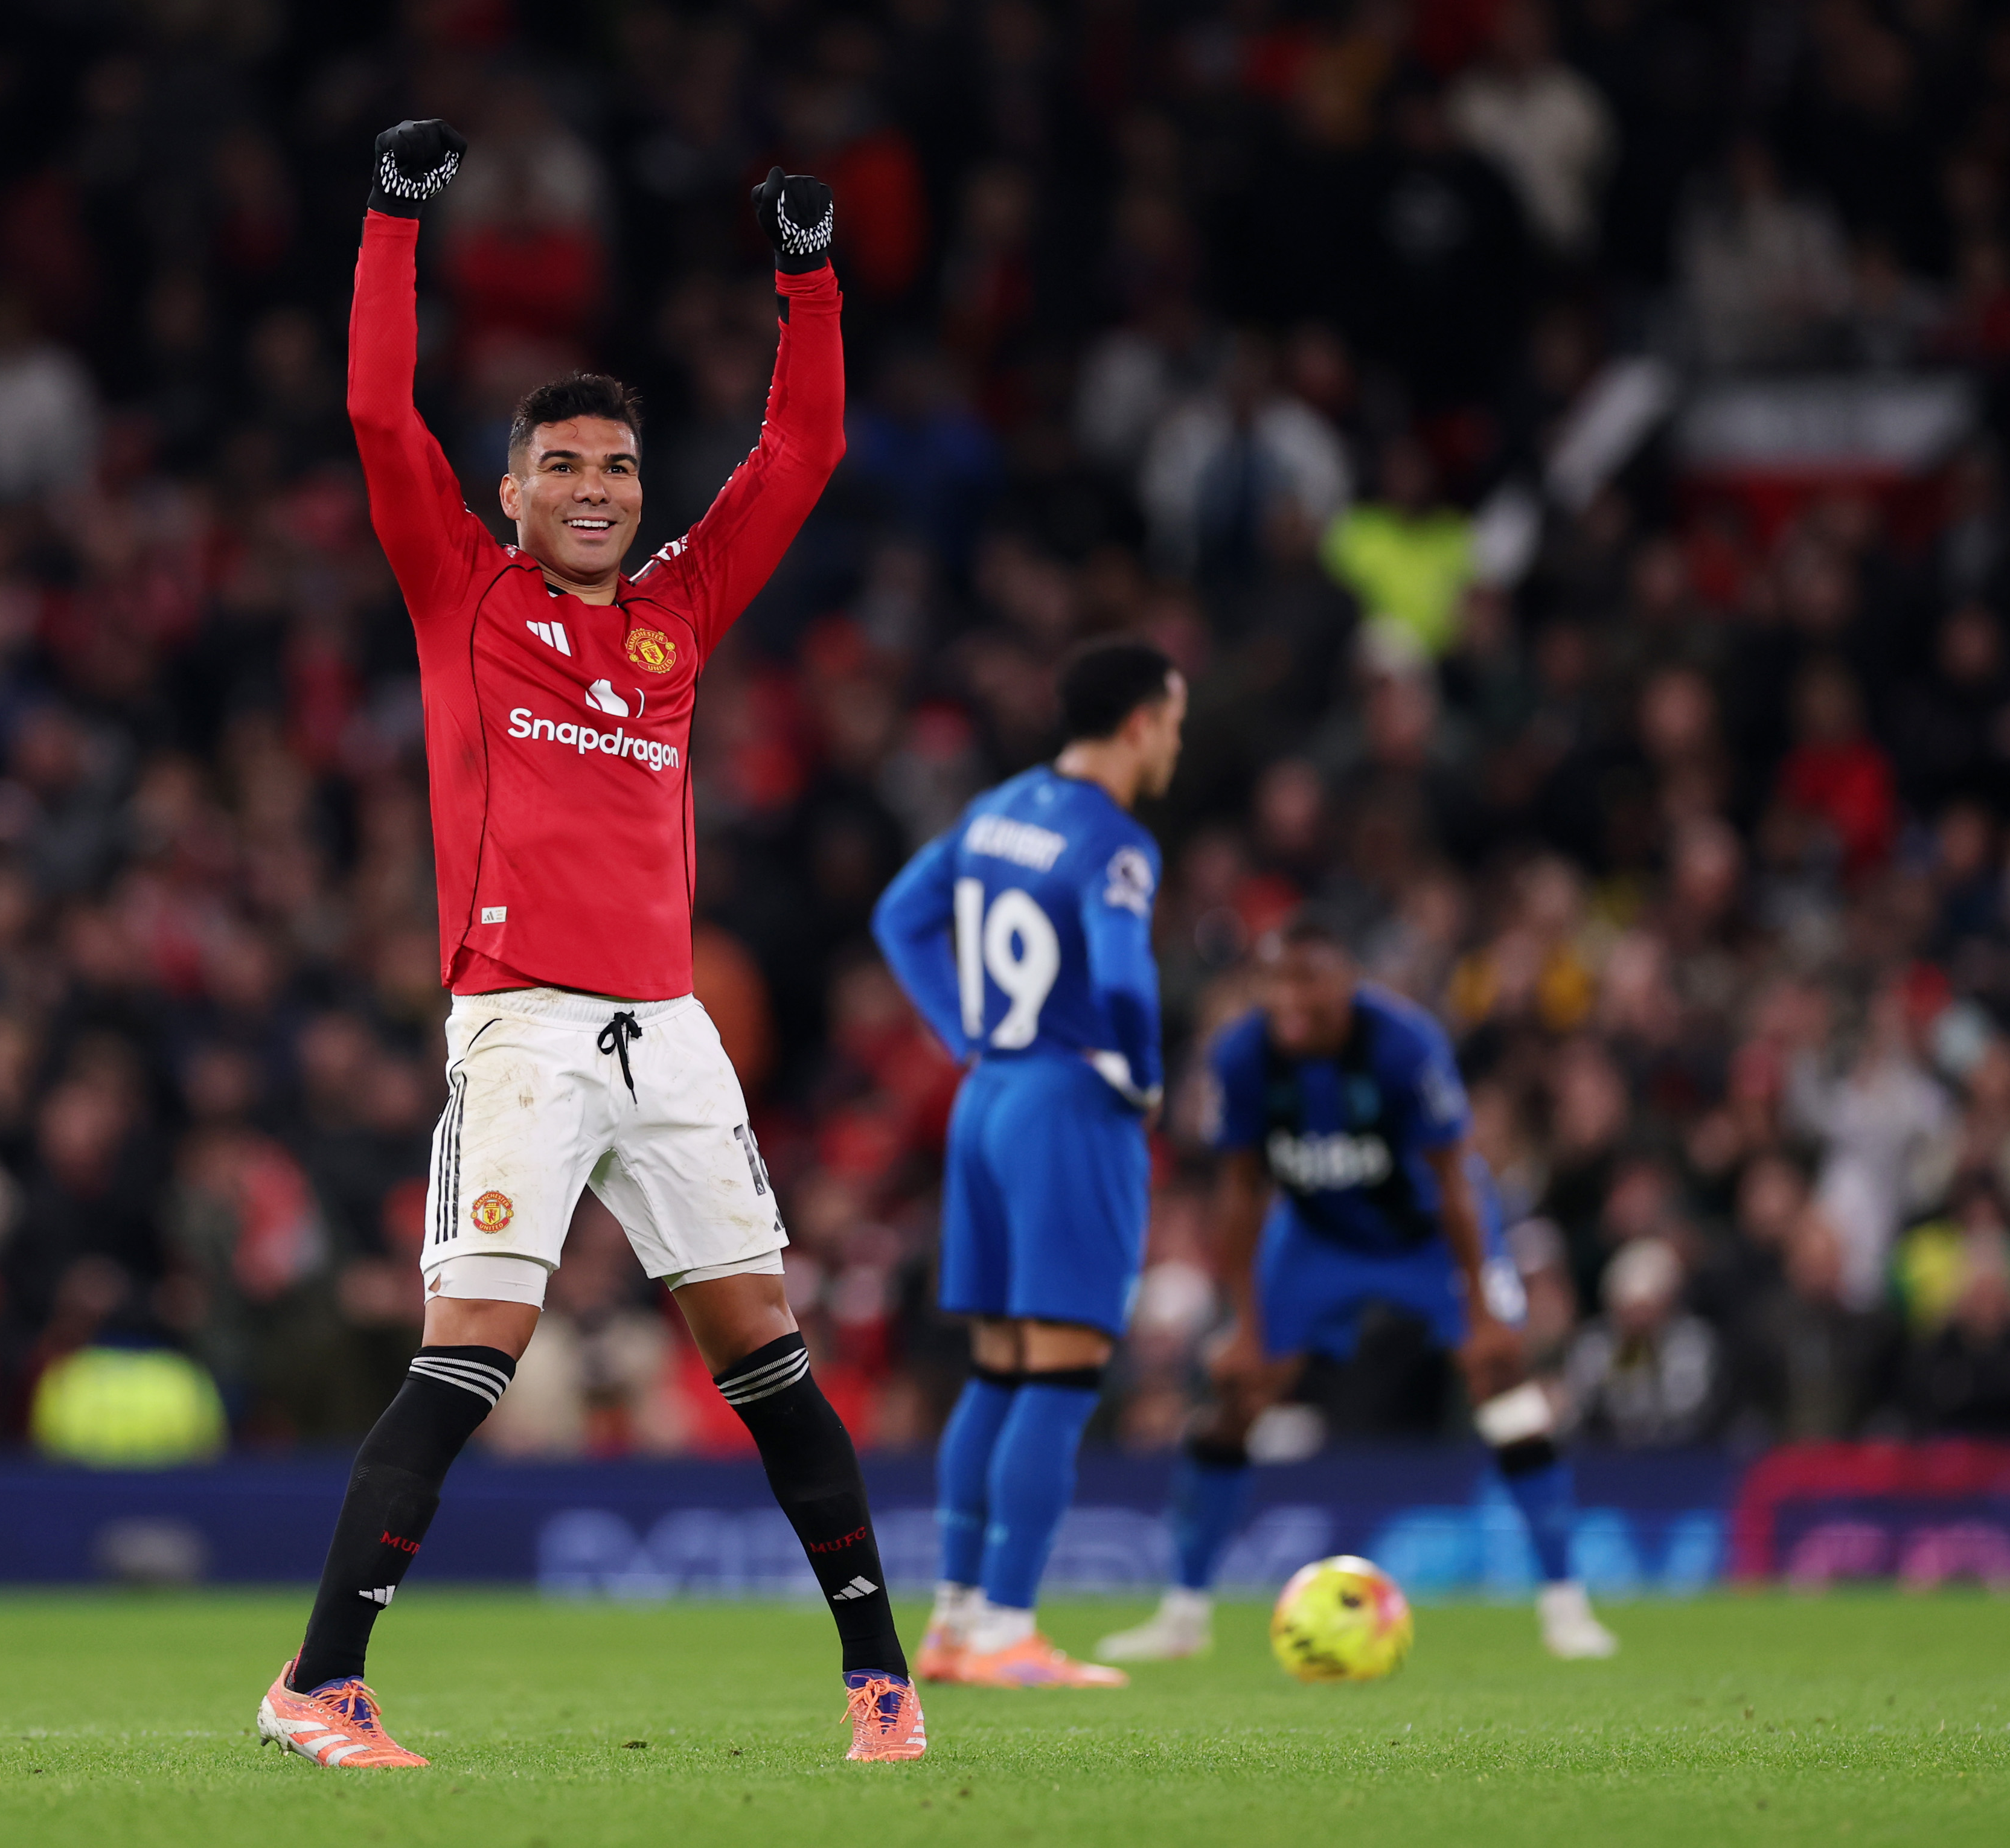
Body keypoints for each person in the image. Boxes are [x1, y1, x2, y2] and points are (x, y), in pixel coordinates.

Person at [256, 121, 924, 1771]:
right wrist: (396, 224)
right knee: (474, 1346)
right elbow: (370, 409)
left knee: (764, 1350)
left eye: (617, 467)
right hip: (525, 1028)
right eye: (562, 463)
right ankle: (318, 1684)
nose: (596, 488)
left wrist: (811, 278)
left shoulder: (676, 618)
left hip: (668, 1032)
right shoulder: (461, 594)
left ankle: (880, 1681)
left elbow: (803, 453)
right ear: (511, 488)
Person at [1098, 921, 1620, 1663]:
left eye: (1308, 979)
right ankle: (1180, 1614)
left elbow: (1453, 1180)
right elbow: (1241, 1192)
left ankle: (1566, 1607)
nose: (1292, 998)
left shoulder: (1401, 1045)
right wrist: (1244, 1324)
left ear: (1345, 980)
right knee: (1239, 1395)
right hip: (1313, 1235)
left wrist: (1480, 1310)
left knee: (1501, 1383)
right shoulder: (1243, 1054)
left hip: (1427, 1234)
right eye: (1279, 980)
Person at [870, 639, 1185, 1687]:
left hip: (988, 1098)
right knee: (1060, 1374)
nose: (1176, 742)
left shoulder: (999, 806)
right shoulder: (1116, 842)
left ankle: (958, 1621)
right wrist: (1141, 1073)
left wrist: (964, 1031)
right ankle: (1008, 1625)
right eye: (1174, 721)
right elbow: (1129, 980)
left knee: (1000, 1369)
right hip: (1066, 1104)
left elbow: (899, 916)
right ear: (1141, 721)